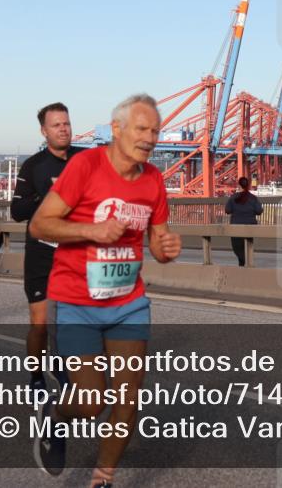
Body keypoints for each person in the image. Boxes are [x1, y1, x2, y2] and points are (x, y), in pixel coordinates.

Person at [30, 93, 181, 487]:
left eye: (155, 130)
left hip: (128, 304)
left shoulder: (153, 180)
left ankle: (102, 479)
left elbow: (158, 240)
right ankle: (55, 416)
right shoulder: (85, 166)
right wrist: (90, 230)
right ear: (116, 130)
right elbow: (40, 224)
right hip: (76, 301)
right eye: (141, 128)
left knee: (128, 400)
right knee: (91, 401)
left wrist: (165, 250)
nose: (150, 137)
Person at [10, 102, 84, 391]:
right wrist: (49, 197)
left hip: (77, 252)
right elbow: (17, 211)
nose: (63, 129)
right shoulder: (34, 166)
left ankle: (65, 366)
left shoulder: (86, 159)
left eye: (66, 123)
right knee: (39, 323)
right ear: (44, 131)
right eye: (56, 125)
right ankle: (37, 376)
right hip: (42, 252)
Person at [224, 176, 263, 266]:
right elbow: (259, 211)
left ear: (239, 185)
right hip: (250, 226)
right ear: (248, 185)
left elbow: (227, 210)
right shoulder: (253, 198)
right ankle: (247, 262)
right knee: (248, 245)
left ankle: (243, 261)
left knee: (237, 247)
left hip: (236, 226)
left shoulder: (233, 197)